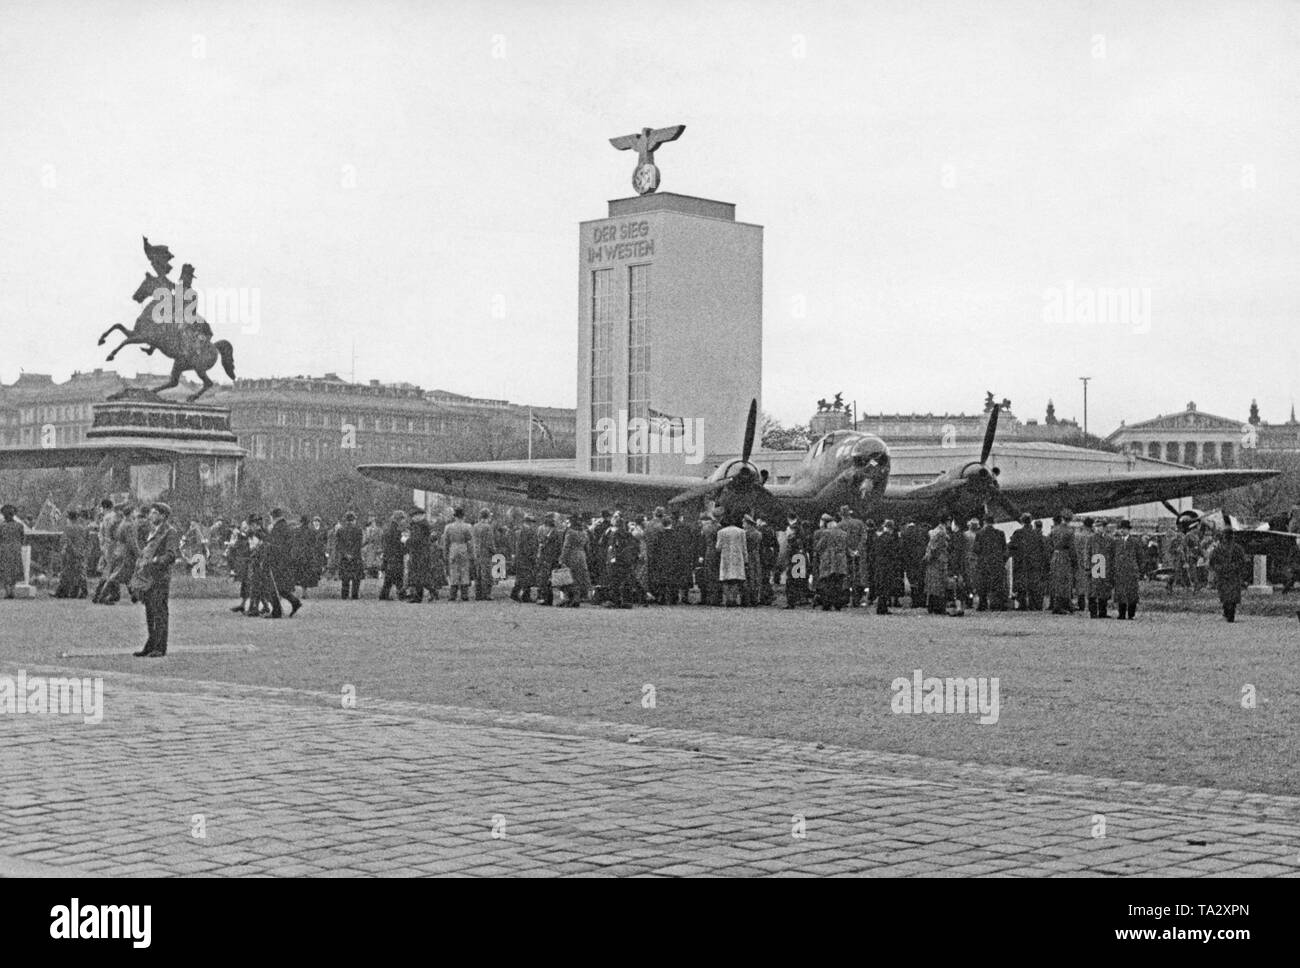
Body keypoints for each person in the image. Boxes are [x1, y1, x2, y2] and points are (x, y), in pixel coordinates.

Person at [132, 502, 180, 657]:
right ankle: (151, 643)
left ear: (163, 515)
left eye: (154, 513)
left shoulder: (169, 532)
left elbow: (171, 555)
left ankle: (160, 646)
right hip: (148, 577)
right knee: (150, 612)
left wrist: (155, 561)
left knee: (159, 612)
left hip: (160, 577)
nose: (151, 515)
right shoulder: (153, 531)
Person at [265, 508, 302, 618]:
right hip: (285, 561)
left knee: (273, 587)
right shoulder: (285, 527)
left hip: (278, 561)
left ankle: (276, 612)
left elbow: (277, 546)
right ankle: (295, 602)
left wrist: (268, 547)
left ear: (273, 517)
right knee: (280, 587)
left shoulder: (278, 528)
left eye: (270, 517)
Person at [1208, 526, 1250, 622]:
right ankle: (1229, 612)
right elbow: (1243, 561)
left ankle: (1227, 612)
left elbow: (1212, 562)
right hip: (1233, 575)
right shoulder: (1237, 548)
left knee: (1224, 594)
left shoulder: (1218, 548)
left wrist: (1218, 568)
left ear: (1224, 536)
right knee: (1233, 594)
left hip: (1223, 574)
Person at [604, 515, 640, 608]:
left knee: (614, 580)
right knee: (626, 580)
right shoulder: (629, 534)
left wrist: (611, 559)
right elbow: (635, 547)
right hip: (627, 560)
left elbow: (611, 546)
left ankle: (615, 600)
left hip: (616, 559)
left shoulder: (614, 534)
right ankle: (627, 601)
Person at [973, 516, 1008, 611]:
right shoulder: (1000, 533)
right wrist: (1002, 561)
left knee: (983, 584)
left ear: (984, 522)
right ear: (994, 522)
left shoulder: (979, 534)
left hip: (984, 563)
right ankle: (996, 604)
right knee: (997, 584)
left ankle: (983, 604)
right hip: (997, 562)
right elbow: (1005, 549)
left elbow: (976, 549)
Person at [54, 510, 89, 598]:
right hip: (81, 552)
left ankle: (62, 592)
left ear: (69, 518)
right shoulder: (83, 528)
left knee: (66, 572)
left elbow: (66, 541)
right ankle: (81, 591)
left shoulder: (68, 528)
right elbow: (86, 541)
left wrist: (64, 550)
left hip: (71, 553)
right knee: (80, 572)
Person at [441, 508, 474, 601]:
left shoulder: (448, 527)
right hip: (463, 548)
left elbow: (446, 542)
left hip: (453, 548)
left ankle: (453, 594)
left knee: (453, 571)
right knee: (464, 571)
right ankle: (464, 594)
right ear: (463, 516)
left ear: (454, 516)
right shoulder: (467, 526)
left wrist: (445, 553)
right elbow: (470, 541)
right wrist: (471, 554)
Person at [559, 514, 592, 607]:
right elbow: (588, 547)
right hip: (581, 556)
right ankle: (576, 598)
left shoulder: (570, 532)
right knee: (579, 577)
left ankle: (568, 598)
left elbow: (566, 546)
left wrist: (562, 558)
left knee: (568, 577)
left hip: (571, 556)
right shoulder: (584, 533)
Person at [716, 514, 748, 607]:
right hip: (738, 558)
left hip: (725, 558)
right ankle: (733, 599)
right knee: (735, 579)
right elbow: (744, 547)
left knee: (725, 579)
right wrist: (746, 559)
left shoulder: (721, 532)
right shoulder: (741, 532)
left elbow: (718, 547)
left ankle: (727, 599)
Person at [405, 507, 436, 602]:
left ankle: (428, 593)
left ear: (419, 515)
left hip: (419, 553)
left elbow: (416, 539)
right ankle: (422, 595)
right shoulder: (423, 525)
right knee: (420, 575)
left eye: (414, 516)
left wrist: (406, 540)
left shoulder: (420, 526)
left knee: (420, 575)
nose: (412, 518)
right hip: (422, 552)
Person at [1112, 520, 1142, 619]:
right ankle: (1121, 613)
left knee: (1132, 592)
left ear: (1128, 530)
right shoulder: (1117, 542)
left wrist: (1139, 569)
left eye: (1124, 529)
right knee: (1121, 592)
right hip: (1120, 571)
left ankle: (1131, 614)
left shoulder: (1135, 542)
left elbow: (1140, 556)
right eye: (1121, 529)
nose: (1122, 531)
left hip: (1131, 571)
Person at [1048, 514, 1077, 614]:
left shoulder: (1054, 530)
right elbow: (1072, 548)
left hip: (1055, 556)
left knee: (1056, 581)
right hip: (1065, 556)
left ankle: (1058, 604)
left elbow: (1049, 544)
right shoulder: (1069, 531)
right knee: (1065, 581)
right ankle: (1063, 605)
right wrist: (1074, 561)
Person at [1086, 520, 1116, 618]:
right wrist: (1087, 567)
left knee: (1104, 590)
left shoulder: (1110, 540)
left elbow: (1112, 555)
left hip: (1106, 567)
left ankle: (1103, 612)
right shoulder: (1091, 539)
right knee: (1093, 590)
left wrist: (1112, 568)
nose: (1098, 528)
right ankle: (1093, 612)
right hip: (1095, 566)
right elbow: (1087, 553)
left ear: (1104, 528)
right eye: (1097, 526)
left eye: (1100, 526)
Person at [873, 519, 902, 614]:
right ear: (891, 528)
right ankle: (883, 608)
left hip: (879, 564)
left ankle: (881, 607)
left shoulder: (879, 538)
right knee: (886, 587)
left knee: (881, 586)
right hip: (888, 565)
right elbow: (894, 553)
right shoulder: (890, 539)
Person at [922, 518, 950, 614]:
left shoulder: (933, 531)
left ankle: (931, 606)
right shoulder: (941, 533)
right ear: (947, 522)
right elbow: (937, 548)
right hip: (939, 561)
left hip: (932, 562)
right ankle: (939, 608)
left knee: (932, 585)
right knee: (939, 585)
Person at [378, 511, 408, 600]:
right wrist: (405, 550)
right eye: (403, 519)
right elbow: (401, 545)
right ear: (399, 519)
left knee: (389, 578)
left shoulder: (387, 531)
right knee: (398, 577)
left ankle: (384, 595)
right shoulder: (398, 532)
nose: (404, 521)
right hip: (397, 557)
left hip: (388, 557)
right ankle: (401, 595)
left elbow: (385, 545)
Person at [335, 512, 364, 600]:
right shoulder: (358, 530)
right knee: (356, 578)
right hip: (356, 557)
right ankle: (354, 595)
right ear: (354, 520)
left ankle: (344, 595)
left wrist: (345, 554)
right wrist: (353, 554)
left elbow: (339, 545)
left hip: (344, 557)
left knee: (345, 577)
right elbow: (359, 544)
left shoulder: (340, 530)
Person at [535, 513, 563, 606]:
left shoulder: (553, 531)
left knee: (546, 578)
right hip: (547, 556)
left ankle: (545, 598)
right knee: (544, 578)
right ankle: (545, 597)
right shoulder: (552, 531)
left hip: (548, 557)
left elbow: (557, 546)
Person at [1, 504, 26, 598]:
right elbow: (22, 538)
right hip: (16, 549)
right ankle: (12, 591)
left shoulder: (1, 526)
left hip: (4, 550)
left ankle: (8, 592)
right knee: (15, 570)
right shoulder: (19, 526)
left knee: (5, 571)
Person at [511, 514, 539, 603]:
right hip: (526, 558)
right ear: (529, 522)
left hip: (521, 557)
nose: (533, 524)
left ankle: (518, 593)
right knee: (527, 576)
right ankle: (523, 595)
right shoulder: (527, 531)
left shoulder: (521, 531)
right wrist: (531, 555)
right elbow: (528, 545)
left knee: (522, 576)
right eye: (532, 522)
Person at [227, 519, 253, 612]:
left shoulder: (250, 535)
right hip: (244, 563)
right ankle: (243, 605)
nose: (243, 528)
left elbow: (248, 546)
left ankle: (264, 607)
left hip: (249, 562)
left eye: (245, 526)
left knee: (252, 585)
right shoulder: (242, 536)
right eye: (242, 526)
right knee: (246, 585)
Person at [471, 509, 496, 601]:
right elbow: (490, 542)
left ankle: (478, 594)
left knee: (478, 574)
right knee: (487, 574)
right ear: (488, 516)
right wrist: (494, 551)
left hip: (477, 553)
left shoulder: (475, 526)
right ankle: (487, 594)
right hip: (486, 553)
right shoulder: (488, 527)